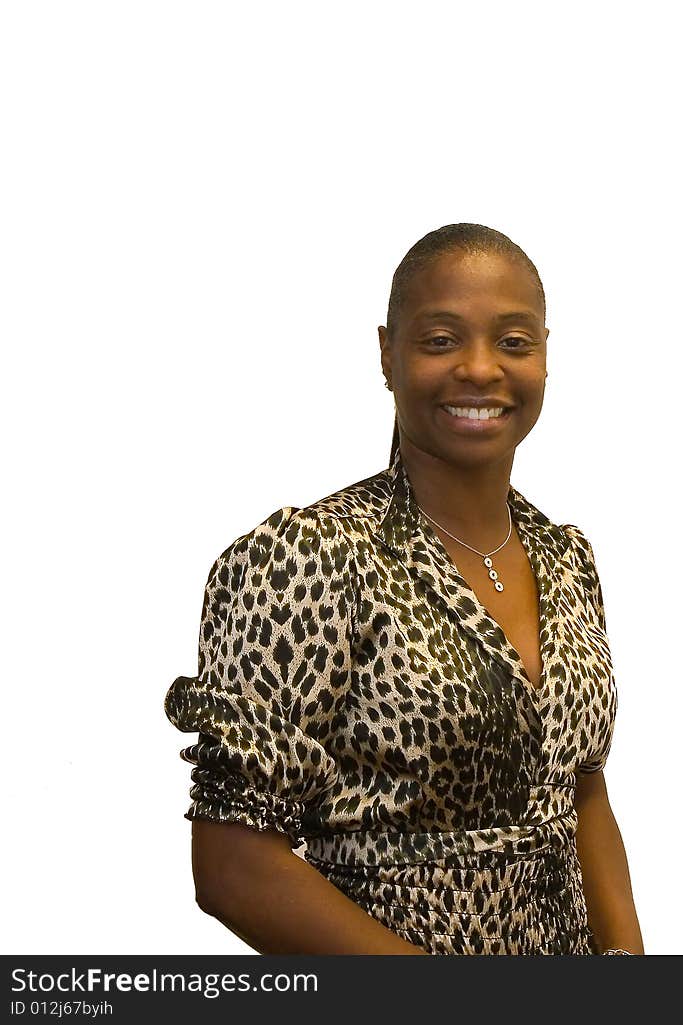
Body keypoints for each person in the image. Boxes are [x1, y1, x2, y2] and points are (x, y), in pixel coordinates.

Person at [164, 223, 644, 955]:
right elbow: (233, 864)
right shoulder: (308, 556)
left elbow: (582, 793)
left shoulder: (566, 557)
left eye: (514, 341)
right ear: (387, 353)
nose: (481, 369)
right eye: (441, 339)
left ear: (546, 353)